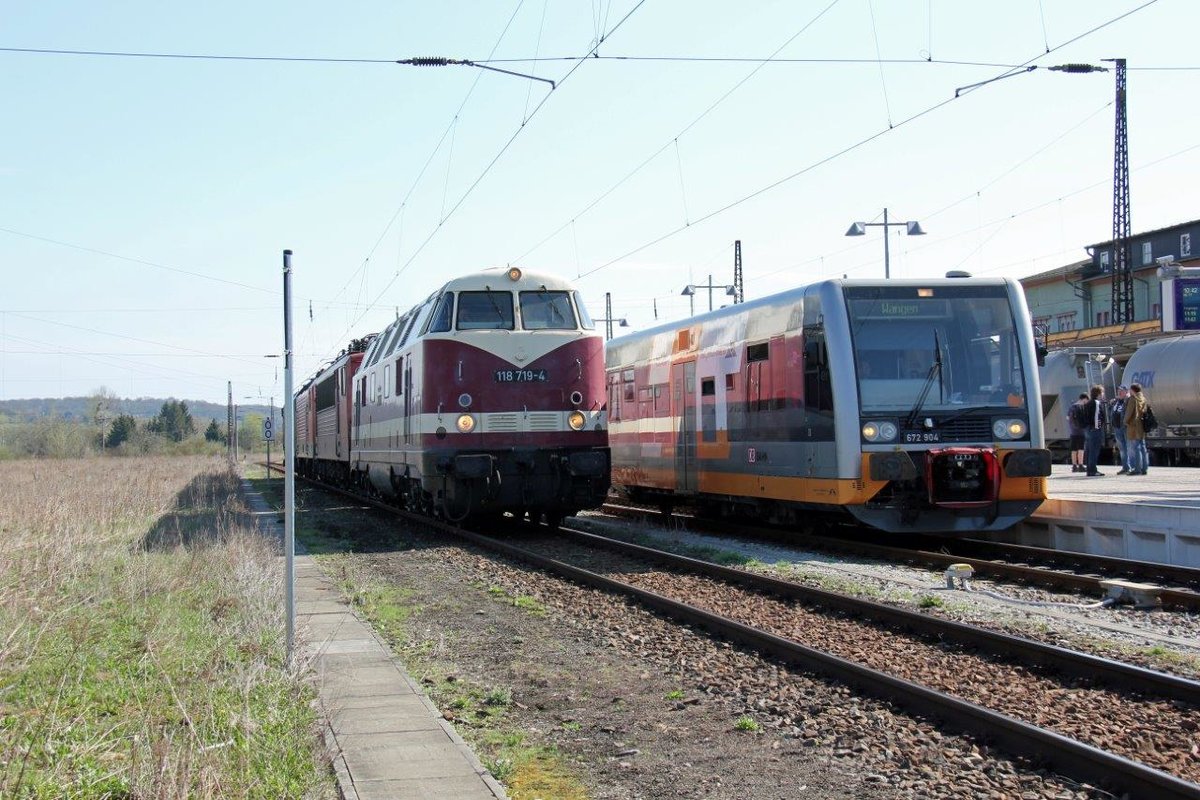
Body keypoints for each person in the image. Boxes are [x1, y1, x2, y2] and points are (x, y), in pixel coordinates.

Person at [1125, 382, 1150, 476]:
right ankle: (1144, 468)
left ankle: (1137, 469)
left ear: (1133, 390)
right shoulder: (1143, 398)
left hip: (1133, 426)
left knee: (1136, 448)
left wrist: (1125, 422)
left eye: (1130, 390)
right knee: (1143, 448)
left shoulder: (1133, 399)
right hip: (1141, 426)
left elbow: (1129, 413)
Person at [1083, 384, 1106, 476]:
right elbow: (1097, 416)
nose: (1103, 394)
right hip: (1094, 430)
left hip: (1088, 429)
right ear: (1098, 394)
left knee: (1089, 450)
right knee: (1094, 451)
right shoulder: (1096, 403)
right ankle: (1093, 470)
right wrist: (1097, 427)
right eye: (1102, 392)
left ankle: (1089, 469)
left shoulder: (1088, 403)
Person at [1109, 385, 1130, 474]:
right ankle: (1125, 467)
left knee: (1129, 447)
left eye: (1121, 391)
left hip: (1125, 427)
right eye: (1118, 391)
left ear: (1126, 391)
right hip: (1117, 428)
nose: (1119, 392)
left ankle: (1131, 467)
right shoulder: (1116, 402)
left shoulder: (1128, 401)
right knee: (1122, 449)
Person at [1066, 393, 1087, 472]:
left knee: (1073, 449)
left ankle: (1074, 466)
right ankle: (1081, 465)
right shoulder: (1082, 407)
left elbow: (1067, 417)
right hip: (1081, 431)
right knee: (1081, 448)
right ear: (1084, 399)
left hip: (1072, 431)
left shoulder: (1071, 407)